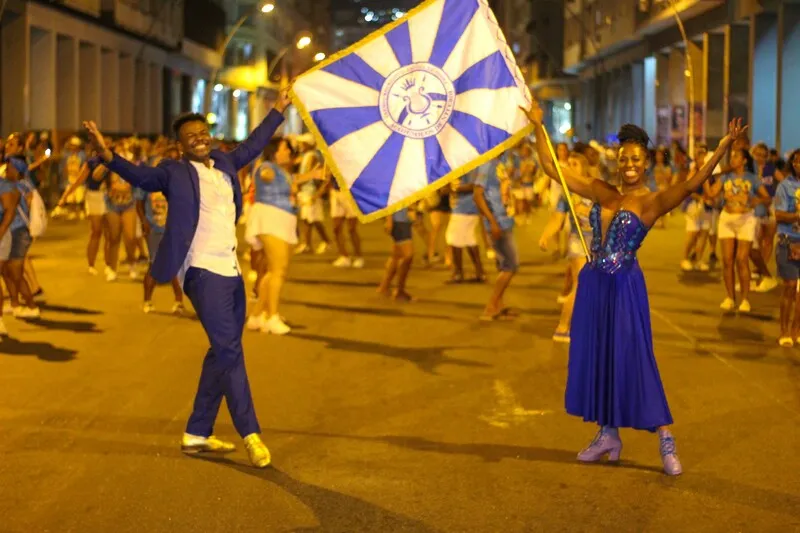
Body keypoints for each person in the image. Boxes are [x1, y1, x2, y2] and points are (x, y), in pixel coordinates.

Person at [525, 99, 745, 476]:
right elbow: (551, 168)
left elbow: (693, 183)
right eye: (624, 159)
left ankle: (665, 437)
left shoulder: (653, 201)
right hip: (594, 285)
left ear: (646, 163)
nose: (629, 166)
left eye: (636, 160)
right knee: (601, 358)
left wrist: (723, 146)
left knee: (635, 360)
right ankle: (608, 434)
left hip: (625, 287)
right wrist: (537, 126)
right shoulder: (600, 190)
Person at [82, 90, 292, 469]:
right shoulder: (173, 172)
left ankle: (197, 432)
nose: (199, 137)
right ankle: (250, 433)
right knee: (230, 352)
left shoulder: (226, 162)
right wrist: (109, 156)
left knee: (222, 349)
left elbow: (254, 143)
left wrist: (278, 109)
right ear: (180, 145)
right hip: (200, 271)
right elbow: (140, 176)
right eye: (190, 135)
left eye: (202, 132)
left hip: (231, 270)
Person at [706, 148, 770, 312]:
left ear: (744, 161)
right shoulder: (725, 177)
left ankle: (745, 299)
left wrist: (757, 200)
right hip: (727, 218)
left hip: (746, 219)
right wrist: (704, 177)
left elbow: (766, 197)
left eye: (736, 157)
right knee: (727, 260)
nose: (732, 159)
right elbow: (712, 194)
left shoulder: (752, 179)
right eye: (732, 156)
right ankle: (729, 297)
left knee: (742, 259)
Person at [474, 160, 519, 320]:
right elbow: (478, 194)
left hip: (505, 220)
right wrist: (492, 221)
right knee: (511, 265)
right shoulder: (487, 164)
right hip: (498, 222)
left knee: (504, 266)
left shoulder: (501, 162)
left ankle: (499, 305)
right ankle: (491, 307)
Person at [772, 149, 800, 346]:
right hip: (788, 240)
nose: (799, 165)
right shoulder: (785, 186)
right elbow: (779, 215)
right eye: (796, 162)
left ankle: (796, 330)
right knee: (789, 287)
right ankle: (784, 331)